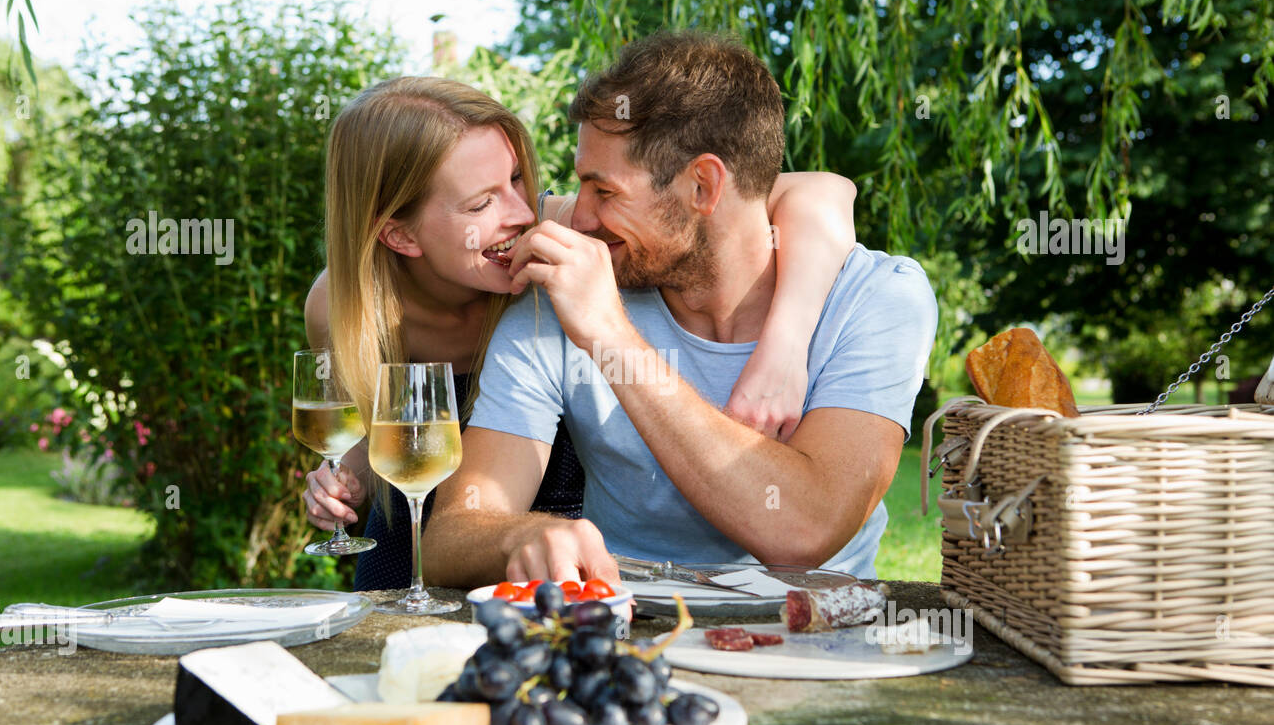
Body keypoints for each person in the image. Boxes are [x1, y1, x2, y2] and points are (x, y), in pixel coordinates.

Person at [421, 31, 939, 588]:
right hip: (622, 635)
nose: (580, 220)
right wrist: (516, 536)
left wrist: (611, 336)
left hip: (810, 640)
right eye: (580, 187)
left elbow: (806, 531)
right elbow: (450, 538)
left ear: (703, 185)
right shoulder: (559, 299)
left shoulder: (877, 299)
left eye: (605, 192)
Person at [301, 75, 860, 589]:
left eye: (517, 177)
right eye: (481, 202)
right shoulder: (344, 308)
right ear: (398, 236)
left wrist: (785, 345)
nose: (521, 212)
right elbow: (385, 437)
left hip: (567, 531)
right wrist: (346, 479)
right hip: (427, 532)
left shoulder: (560, 230)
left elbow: (822, 194)